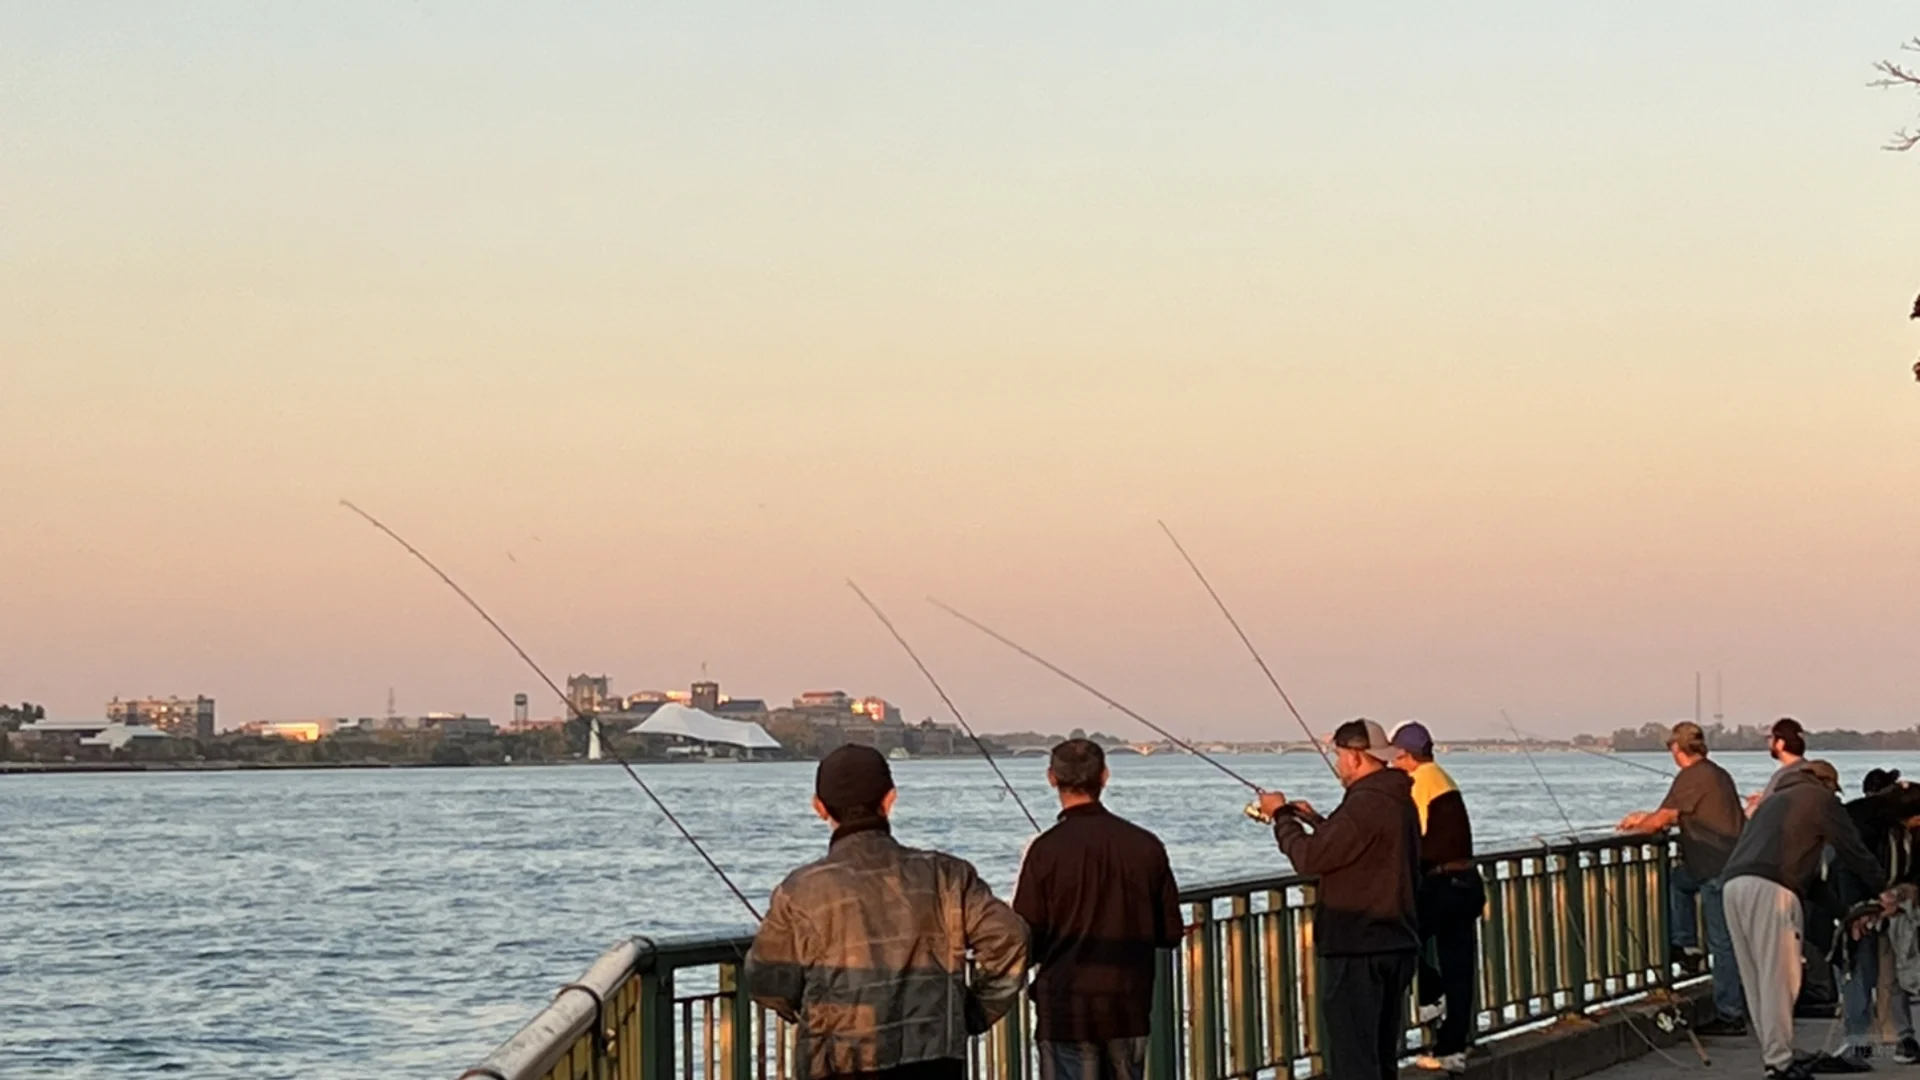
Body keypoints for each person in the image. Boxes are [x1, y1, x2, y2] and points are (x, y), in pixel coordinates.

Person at [747, 745, 1030, 1080]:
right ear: (889, 800)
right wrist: (974, 1011)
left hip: (840, 1060)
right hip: (936, 1057)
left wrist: (812, 1011)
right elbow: (1011, 938)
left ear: (820, 808)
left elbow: (766, 977)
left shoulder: (800, 890)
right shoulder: (946, 875)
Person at [1013, 739, 1184, 1080]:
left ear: (1051, 778)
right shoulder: (1145, 844)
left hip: (1066, 1010)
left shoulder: (1045, 850)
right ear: (1104, 776)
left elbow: (1027, 936)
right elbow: (1169, 933)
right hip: (1128, 1007)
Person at [1258, 719, 1420, 1080]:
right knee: (1380, 1056)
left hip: (1358, 947)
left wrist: (1281, 817)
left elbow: (1309, 859)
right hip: (1396, 941)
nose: (1338, 765)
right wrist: (1317, 820)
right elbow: (1361, 847)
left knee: (1354, 1062)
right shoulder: (1397, 799)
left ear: (1356, 757)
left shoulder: (1365, 804)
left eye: (1340, 756)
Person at [1720, 759, 1888, 1080]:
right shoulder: (1820, 800)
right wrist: (1883, 890)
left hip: (1733, 885)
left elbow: (1813, 882)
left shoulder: (1774, 801)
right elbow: (1853, 851)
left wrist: (1843, 913)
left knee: (1756, 979)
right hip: (1773, 891)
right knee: (1781, 977)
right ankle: (1781, 1064)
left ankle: (1774, 1055)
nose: (1836, 797)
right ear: (1825, 782)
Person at [1615, 721, 1747, 1036]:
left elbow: (1660, 821)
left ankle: (1731, 1013)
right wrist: (1644, 816)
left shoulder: (1693, 776)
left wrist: (1636, 825)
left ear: (1677, 748)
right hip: (1723, 864)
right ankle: (1685, 942)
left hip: (1715, 870)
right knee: (1678, 881)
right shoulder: (1716, 773)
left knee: (1722, 943)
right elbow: (1670, 814)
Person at [1385, 721, 1483, 1075]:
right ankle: (1453, 1047)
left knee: (1401, 935)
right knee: (1459, 964)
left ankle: (1430, 992)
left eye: (1396, 756)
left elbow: (1412, 834)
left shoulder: (1421, 781)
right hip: (1467, 882)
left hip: (1441, 884)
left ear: (1407, 755)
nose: (1394, 764)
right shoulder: (1443, 777)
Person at [1832, 772, 1920, 1066]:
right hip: (1860, 903)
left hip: (1893, 904)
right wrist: (1857, 910)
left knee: (1893, 972)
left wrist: (1905, 891)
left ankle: (1901, 1037)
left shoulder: (1907, 833)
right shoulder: (1865, 827)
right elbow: (1847, 868)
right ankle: (1856, 1044)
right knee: (1859, 970)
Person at [1745, 718, 1809, 816]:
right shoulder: (1811, 770)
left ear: (1780, 743)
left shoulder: (1783, 776)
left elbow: (1761, 812)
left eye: (1771, 738)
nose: (1769, 743)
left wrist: (1752, 807)